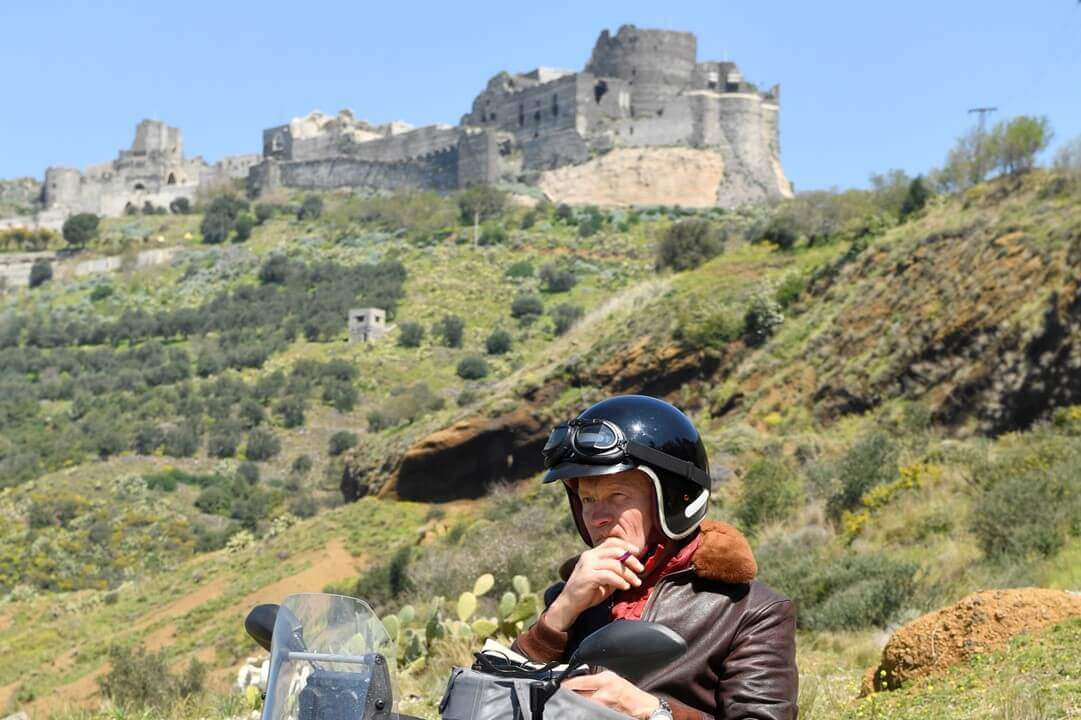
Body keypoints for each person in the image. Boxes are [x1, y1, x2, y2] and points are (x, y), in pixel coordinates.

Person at [511, 395, 798, 720]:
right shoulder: (571, 600)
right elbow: (496, 706)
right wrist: (559, 615)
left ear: (672, 498)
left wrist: (654, 712)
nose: (597, 517)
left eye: (617, 495)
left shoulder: (751, 611)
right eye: (588, 498)